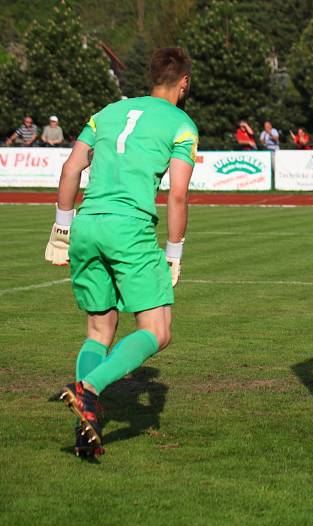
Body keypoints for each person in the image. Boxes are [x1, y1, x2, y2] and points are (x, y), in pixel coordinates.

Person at [48, 47, 198, 458]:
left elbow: (70, 170)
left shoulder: (108, 112)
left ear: (151, 76)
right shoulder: (182, 124)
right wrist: (174, 253)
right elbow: (178, 196)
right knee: (157, 330)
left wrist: (62, 227)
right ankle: (89, 388)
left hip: (86, 224)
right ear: (183, 82)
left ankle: (86, 425)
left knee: (99, 331)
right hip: (128, 229)